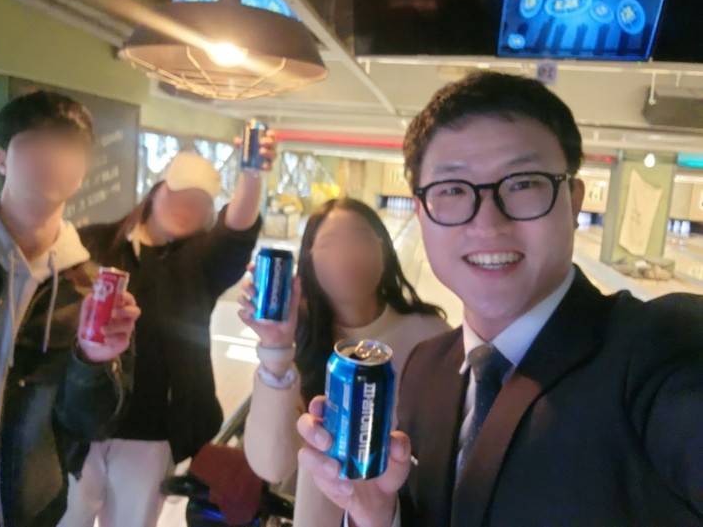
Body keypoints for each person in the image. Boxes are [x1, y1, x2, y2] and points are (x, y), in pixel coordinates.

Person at [296, 72, 703, 527]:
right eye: (452, 189)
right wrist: (377, 513)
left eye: (523, 183)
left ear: (573, 200)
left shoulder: (660, 347)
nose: (488, 224)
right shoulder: (425, 368)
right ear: (421, 213)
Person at [0, 90, 140, 527]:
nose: (52, 156)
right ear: (2, 159)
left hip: (27, 510)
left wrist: (94, 361)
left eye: (68, 146)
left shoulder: (87, 287)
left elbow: (88, 425)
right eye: (35, 141)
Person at [58, 135, 276, 527]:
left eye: (199, 203)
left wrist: (253, 174)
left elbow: (237, 229)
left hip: (151, 432)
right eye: (178, 195)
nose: (186, 207)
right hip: (82, 422)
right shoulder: (94, 243)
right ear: (156, 192)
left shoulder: (200, 262)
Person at [239, 197, 449, 527]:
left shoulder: (432, 335)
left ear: (384, 251)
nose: (347, 254)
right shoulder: (301, 343)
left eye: (361, 238)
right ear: (310, 261)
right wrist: (276, 349)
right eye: (330, 244)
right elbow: (272, 466)